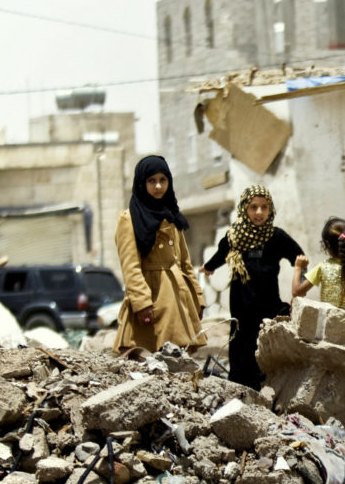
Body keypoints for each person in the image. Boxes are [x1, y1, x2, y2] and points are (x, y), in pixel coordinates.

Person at [203, 185, 305, 390]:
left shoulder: (276, 236)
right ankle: (240, 385)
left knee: (265, 341)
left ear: (270, 209)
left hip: (268, 301)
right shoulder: (234, 237)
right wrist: (208, 268)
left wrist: (300, 278)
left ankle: (267, 384)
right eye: (253, 207)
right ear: (244, 209)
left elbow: (298, 257)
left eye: (264, 207)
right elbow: (221, 254)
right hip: (241, 302)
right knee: (241, 339)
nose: (259, 212)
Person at [114, 155, 206, 354]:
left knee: (179, 358)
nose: (158, 186)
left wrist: (197, 297)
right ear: (141, 183)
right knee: (146, 357)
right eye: (151, 181)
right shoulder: (129, 220)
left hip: (178, 299)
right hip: (152, 300)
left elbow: (185, 262)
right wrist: (142, 303)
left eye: (163, 180)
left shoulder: (171, 216)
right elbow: (130, 266)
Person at [292, 217, 345, 309]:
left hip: (330, 321)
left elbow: (297, 292)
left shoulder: (323, 267)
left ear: (325, 244)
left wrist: (298, 268)